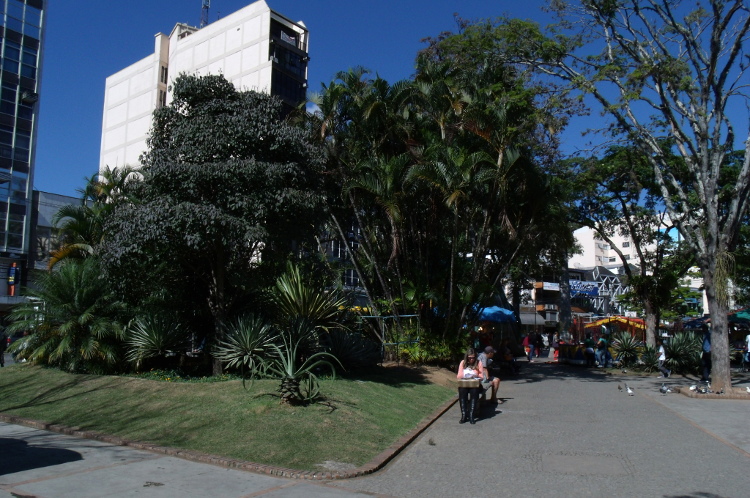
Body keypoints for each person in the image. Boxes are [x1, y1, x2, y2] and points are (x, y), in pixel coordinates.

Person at [456, 348, 484, 424]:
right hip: (465, 383)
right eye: (470, 357)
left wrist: (474, 375)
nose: (471, 359)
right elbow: (459, 376)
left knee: (474, 392)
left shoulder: (479, 363)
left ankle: (471, 415)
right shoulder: (463, 363)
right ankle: (464, 415)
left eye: (473, 357)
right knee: (462, 391)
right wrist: (466, 373)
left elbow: (481, 376)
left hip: (474, 383)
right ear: (467, 357)